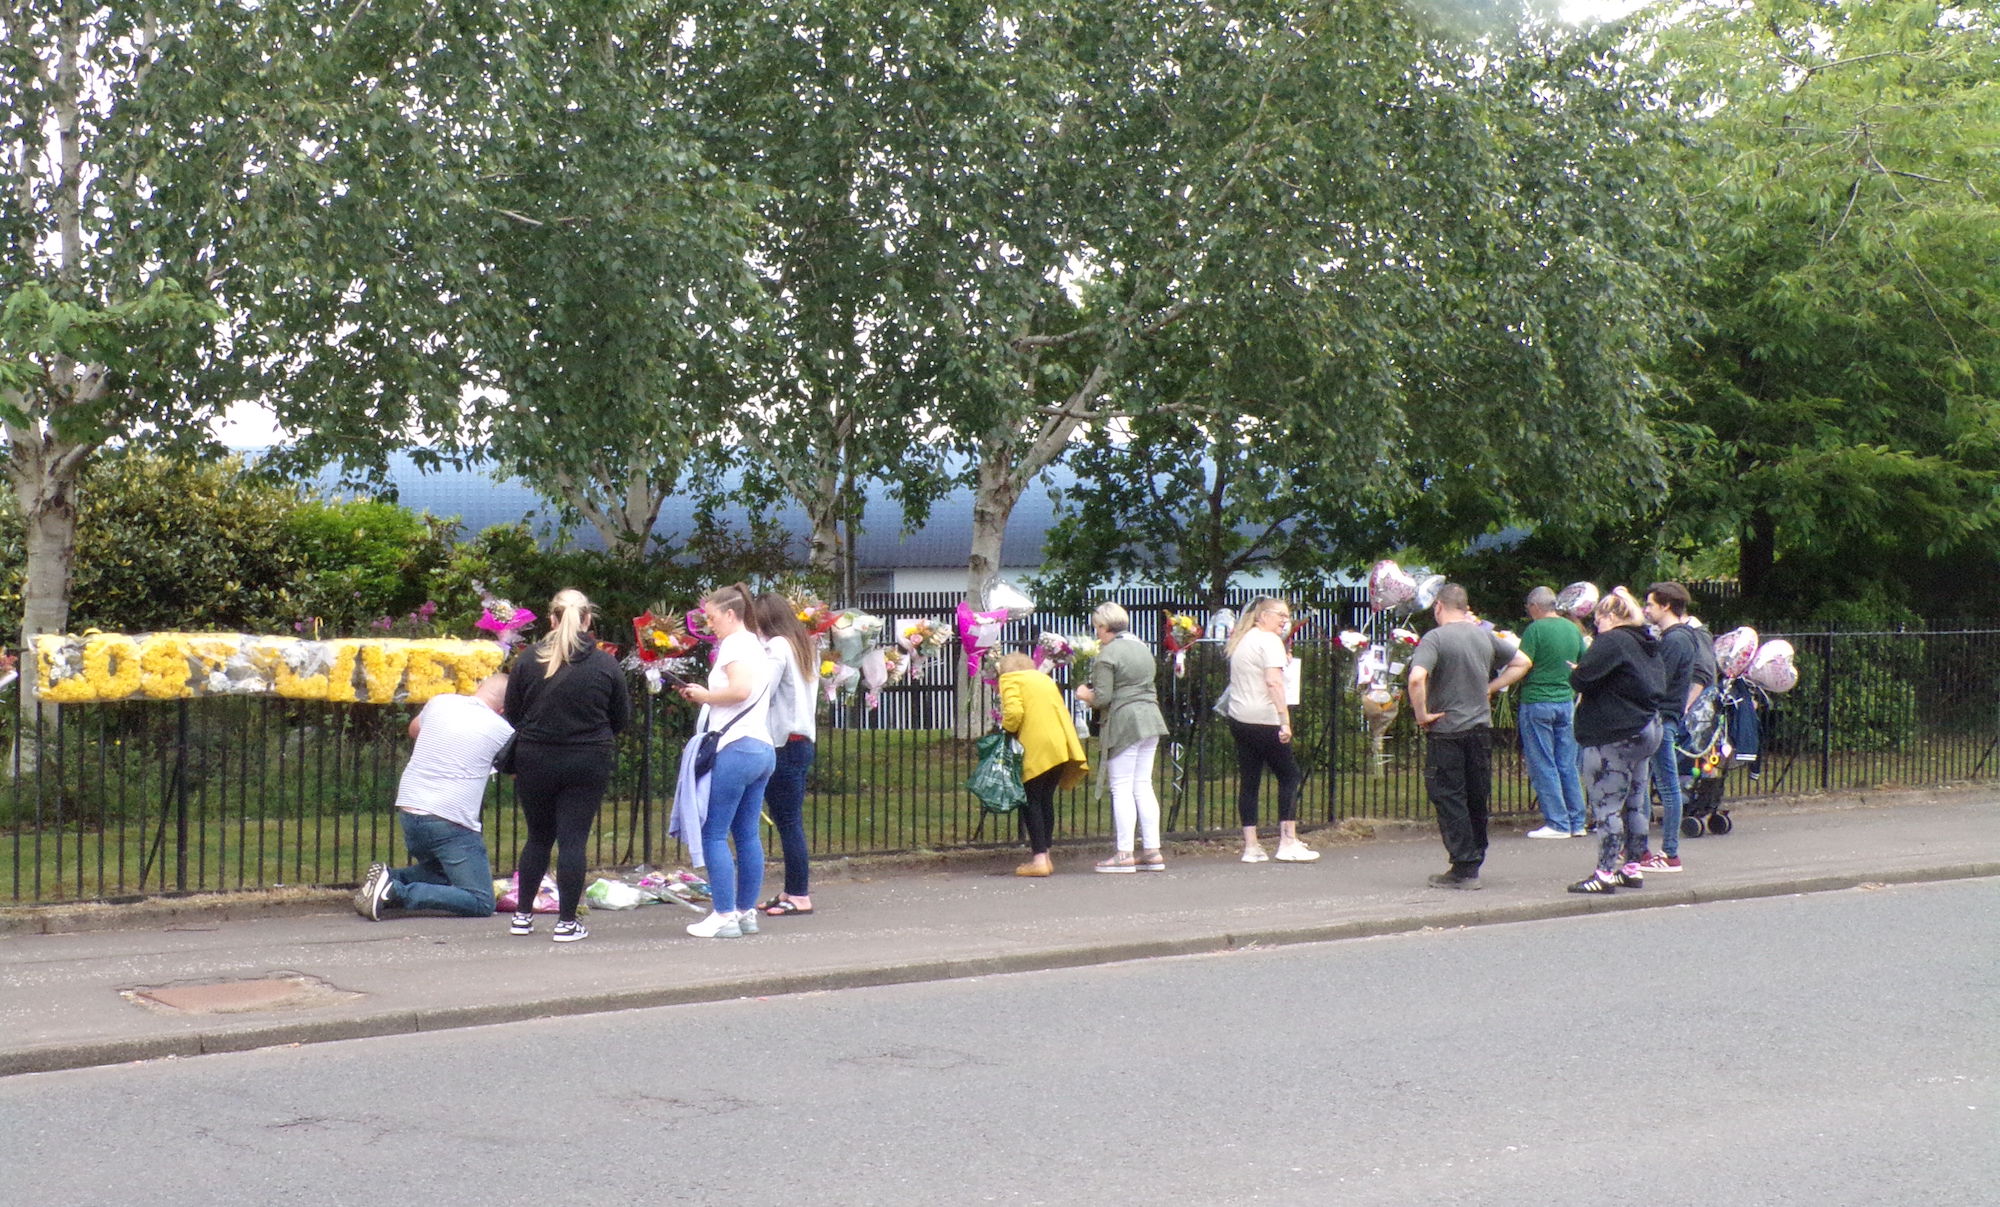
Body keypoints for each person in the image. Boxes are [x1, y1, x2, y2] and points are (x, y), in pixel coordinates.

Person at [504, 589, 630, 943]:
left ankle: (523, 916)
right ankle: (566, 922)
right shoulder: (605, 664)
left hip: (535, 757)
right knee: (573, 840)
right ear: (588, 619)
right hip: (587, 759)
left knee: (538, 837)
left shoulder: (528, 660)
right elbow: (621, 717)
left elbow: (513, 712)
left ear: (552, 619)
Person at [354, 673, 511, 921]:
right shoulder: (503, 730)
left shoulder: (441, 702)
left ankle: (387, 879)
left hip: (410, 810)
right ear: (503, 709)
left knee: (444, 873)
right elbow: (515, 768)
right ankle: (395, 891)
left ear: (479, 687)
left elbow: (414, 729)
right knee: (480, 901)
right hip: (450, 822)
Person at [1408, 583, 1530, 889]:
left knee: (1450, 796)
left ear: (1438, 606)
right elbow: (1522, 662)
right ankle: (1475, 857)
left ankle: (1462, 866)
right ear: (1465, 606)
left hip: (1447, 730)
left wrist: (1422, 714)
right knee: (1477, 795)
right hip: (1480, 729)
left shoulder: (1434, 638)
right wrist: (1488, 689)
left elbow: (1416, 678)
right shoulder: (1483, 635)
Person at [678, 583, 777, 937]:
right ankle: (745, 911)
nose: (709, 624)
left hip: (736, 747)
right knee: (747, 834)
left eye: (712, 617)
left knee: (714, 834)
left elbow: (739, 690)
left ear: (731, 614)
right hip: (762, 748)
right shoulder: (756, 644)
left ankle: (723, 914)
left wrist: (705, 696)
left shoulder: (735, 645)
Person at [1567, 588, 1666, 894]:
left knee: (1606, 805)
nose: (1597, 625)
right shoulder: (1646, 641)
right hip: (1648, 726)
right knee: (1635, 803)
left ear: (1609, 616)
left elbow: (1582, 679)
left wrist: (1579, 671)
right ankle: (1632, 868)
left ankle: (1605, 873)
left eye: (1598, 619)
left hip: (1614, 731)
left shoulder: (1611, 641)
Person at [1075, 602, 1170, 872]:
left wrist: (1084, 694)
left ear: (1104, 627)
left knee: (1121, 786)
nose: (1096, 633)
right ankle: (1152, 851)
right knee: (1143, 784)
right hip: (1151, 717)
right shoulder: (1142, 648)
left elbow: (1102, 697)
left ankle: (1124, 853)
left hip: (1125, 722)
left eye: (1097, 628)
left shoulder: (1107, 655)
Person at [1222, 596, 1317, 863]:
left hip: (1240, 718)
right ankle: (1287, 840)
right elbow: (1274, 682)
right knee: (1289, 775)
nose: (1285, 622)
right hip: (1265, 719)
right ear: (1263, 616)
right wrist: (1284, 719)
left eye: (1287, 617)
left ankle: (1251, 846)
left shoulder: (1243, 640)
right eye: (1280, 616)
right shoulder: (1270, 641)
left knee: (1250, 780)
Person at [1639, 581, 1718, 873]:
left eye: (1650, 604)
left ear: (1666, 606)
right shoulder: (1680, 637)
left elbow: (1659, 679)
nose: (1646, 610)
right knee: (1650, 783)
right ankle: (1642, 849)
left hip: (1662, 717)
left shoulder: (1675, 640)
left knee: (1666, 785)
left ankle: (1668, 852)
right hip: (1665, 715)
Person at [754, 592, 819, 916]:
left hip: (783, 741)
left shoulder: (777, 646)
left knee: (788, 821)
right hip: (802, 739)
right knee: (788, 820)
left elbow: (761, 689)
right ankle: (793, 890)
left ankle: (799, 894)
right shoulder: (803, 644)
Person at [997, 651, 1089, 877]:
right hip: (1059, 745)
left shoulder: (1010, 679)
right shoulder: (1044, 679)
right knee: (1045, 799)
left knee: (1030, 801)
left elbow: (1015, 712)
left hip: (1035, 746)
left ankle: (1038, 860)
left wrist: (1007, 731)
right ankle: (1046, 855)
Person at [1516, 586, 1589, 839]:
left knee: (1543, 762)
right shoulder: (1572, 629)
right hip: (1565, 702)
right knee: (1567, 763)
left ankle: (1557, 823)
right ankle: (1577, 821)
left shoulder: (1534, 630)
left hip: (1537, 701)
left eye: (1528, 608)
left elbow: (1522, 663)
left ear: (1535, 606)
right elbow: (1584, 662)